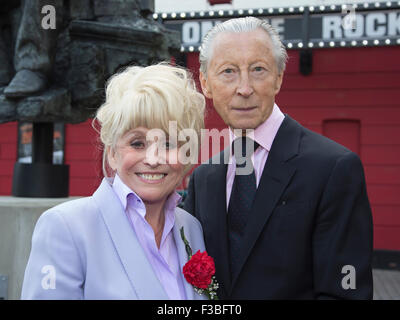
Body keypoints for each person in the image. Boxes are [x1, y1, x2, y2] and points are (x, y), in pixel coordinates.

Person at [184, 17, 373, 299]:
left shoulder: (334, 168)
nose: (244, 88)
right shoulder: (203, 178)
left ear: (279, 78)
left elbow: (345, 291)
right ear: (205, 83)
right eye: (228, 71)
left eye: (258, 69)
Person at [21, 63, 207, 299]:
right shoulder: (65, 227)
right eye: (137, 143)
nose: (153, 159)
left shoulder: (191, 229)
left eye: (168, 144)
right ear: (112, 153)